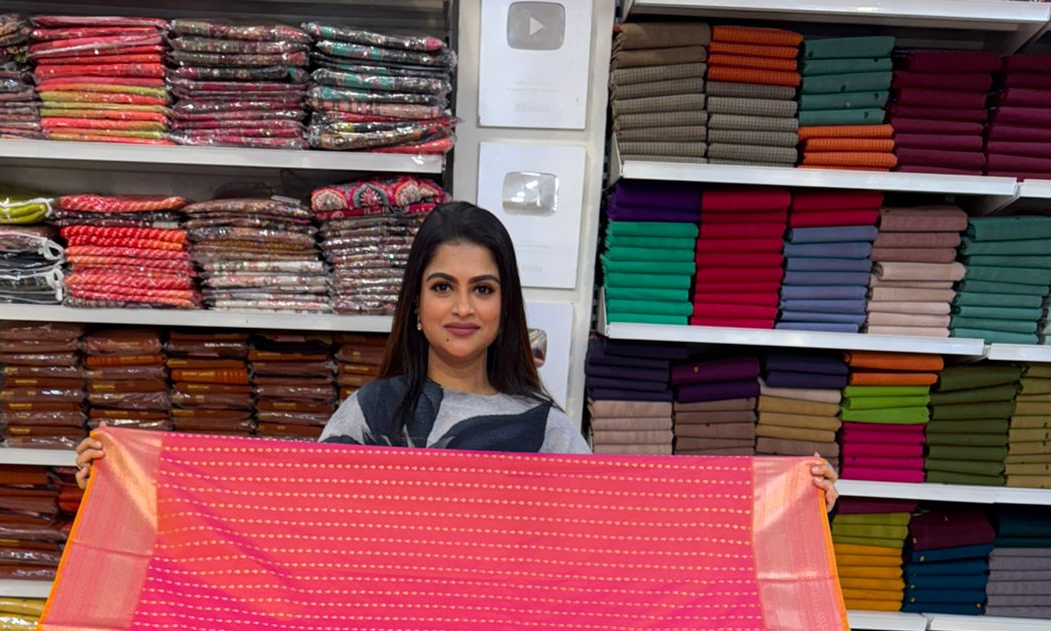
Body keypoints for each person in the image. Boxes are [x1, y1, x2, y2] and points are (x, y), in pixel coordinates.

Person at [75, 201, 837, 508]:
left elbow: (625, 528)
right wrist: (132, 482)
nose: (463, 308)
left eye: (483, 289)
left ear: (506, 308)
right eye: (443, 287)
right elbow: (285, 512)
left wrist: (782, 503)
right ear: (416, 303)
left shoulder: (544, 430)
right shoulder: (370, 415)